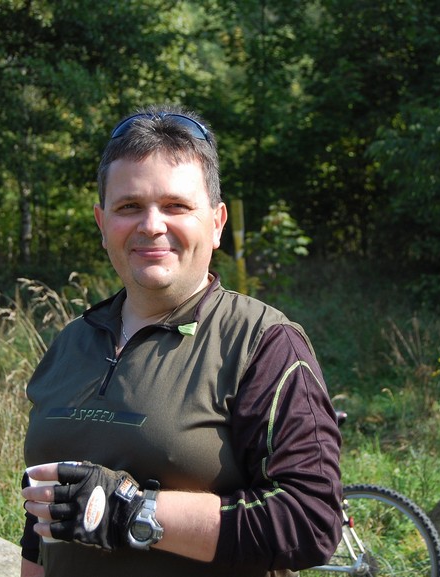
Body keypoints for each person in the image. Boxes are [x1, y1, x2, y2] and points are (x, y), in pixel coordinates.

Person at [18, 104, 343, 577]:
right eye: (129, 206)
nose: (151, 225)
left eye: (176, 206)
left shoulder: (263, 344)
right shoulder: (70, 344)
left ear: (216, 222)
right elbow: (42, 519)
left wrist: (132, 511)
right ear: (102, 224)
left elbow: (310, 521)